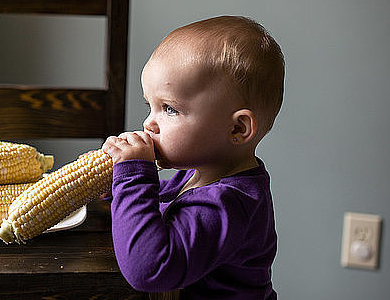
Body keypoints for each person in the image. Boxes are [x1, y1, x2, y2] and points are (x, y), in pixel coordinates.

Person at [101, 16, 284, 299]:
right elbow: (147, 208)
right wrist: (111, 181)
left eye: (170, 109)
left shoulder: (229, 204)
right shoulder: (198, 175)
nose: (149, 124)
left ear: (237, 128)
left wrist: (133, 176)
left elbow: (148, 270)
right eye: (150, 105)